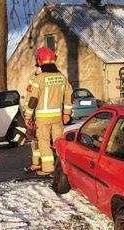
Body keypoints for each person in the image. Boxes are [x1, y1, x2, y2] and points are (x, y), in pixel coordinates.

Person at [23, 47, 73, 176]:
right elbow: (69, 95)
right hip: (57, 117)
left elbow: (33, 99)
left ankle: (48, 168)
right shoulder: (62, 77)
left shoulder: (39, 79)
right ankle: (60, 165)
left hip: (42, 117)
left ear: (40, 61)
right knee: (58, 141)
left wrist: (27, 116)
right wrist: (66, 113)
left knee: (43, 141)